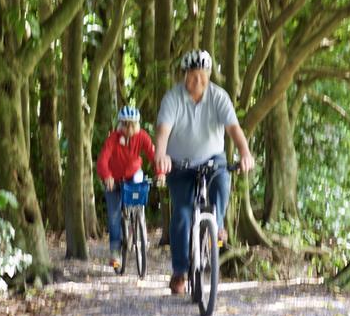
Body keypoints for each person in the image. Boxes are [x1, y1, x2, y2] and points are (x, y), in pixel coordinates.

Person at [153, 49, 255, 295]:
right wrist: (161, 156)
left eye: (201, 76)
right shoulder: (173, 98)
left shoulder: (219, 97)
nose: (196, 81)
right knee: (182, 214)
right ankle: (180, 271)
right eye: (191, 75)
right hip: (180, 163)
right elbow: (163, 132)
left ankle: (216, 226)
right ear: (184, 75)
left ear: (208, 76)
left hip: (212, 159)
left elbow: (234, 129)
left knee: (222, 181)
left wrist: (245, 153)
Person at [97, 105, 158, 270]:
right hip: (114, 180)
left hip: (133, 175)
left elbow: (153, 155)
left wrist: (159, 172)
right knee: (114, 216)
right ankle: (115, 252)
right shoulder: (113, 139)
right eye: (125, 124)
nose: (129, 128)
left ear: (138, 124)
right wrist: (107, 176)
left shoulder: (142, 137)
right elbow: (103, 159)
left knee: (139, 193)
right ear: (121, 125)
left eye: (133, 124)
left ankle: (137, 222)